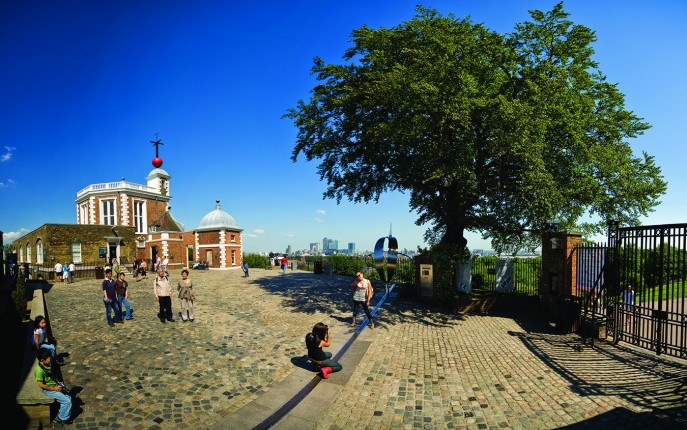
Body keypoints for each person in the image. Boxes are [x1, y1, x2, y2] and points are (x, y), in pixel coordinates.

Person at [35, 348, 72, 428]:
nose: (51, 359)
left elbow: (50, 376)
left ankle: (62, 412)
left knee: (69, 396)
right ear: (42, 360)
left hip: (53, 385)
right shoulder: (39, 371)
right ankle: (62, 418)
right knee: (67, 401)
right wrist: (54, 389)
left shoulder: (47, 364)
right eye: (49, 358)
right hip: (48, 390)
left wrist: (58, 383)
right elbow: (41, 384)